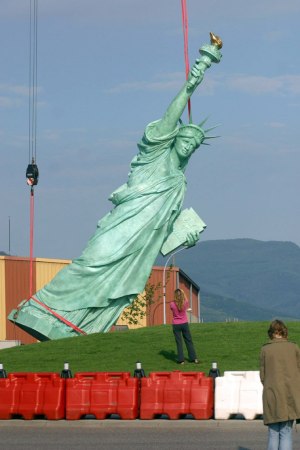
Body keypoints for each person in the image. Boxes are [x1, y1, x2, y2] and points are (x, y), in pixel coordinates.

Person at [9, 34, 222, 341]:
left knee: (116, 287)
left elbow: (164, 221)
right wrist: (198, 72)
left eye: (195, 144)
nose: (189, 145)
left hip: (142, 243)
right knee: (92, 262)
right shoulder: (154, 154)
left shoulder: (178, 183)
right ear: (174, 137)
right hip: (121, 226)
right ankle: (41, 309)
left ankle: (77, 327)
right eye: (186, 138)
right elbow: (172, 113)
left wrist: (182, 236)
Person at [260, 319, 300, 450]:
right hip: (290, 397)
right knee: (286, 433)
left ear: (271, 333)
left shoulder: (265, 349)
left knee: (273, 433)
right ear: (284, 331)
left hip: (272, 396)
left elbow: (262, 377)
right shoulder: (294, 347)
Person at [170, 288, 198, 364]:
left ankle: (181, 360)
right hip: (184, 324)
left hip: (176, 324)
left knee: (179, 343)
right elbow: (186, 299)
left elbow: (172, 308)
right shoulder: (185, 302)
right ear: (182, 295)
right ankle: (194, 358)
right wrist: (182, 292)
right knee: (189, 341)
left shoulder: (172, 304)